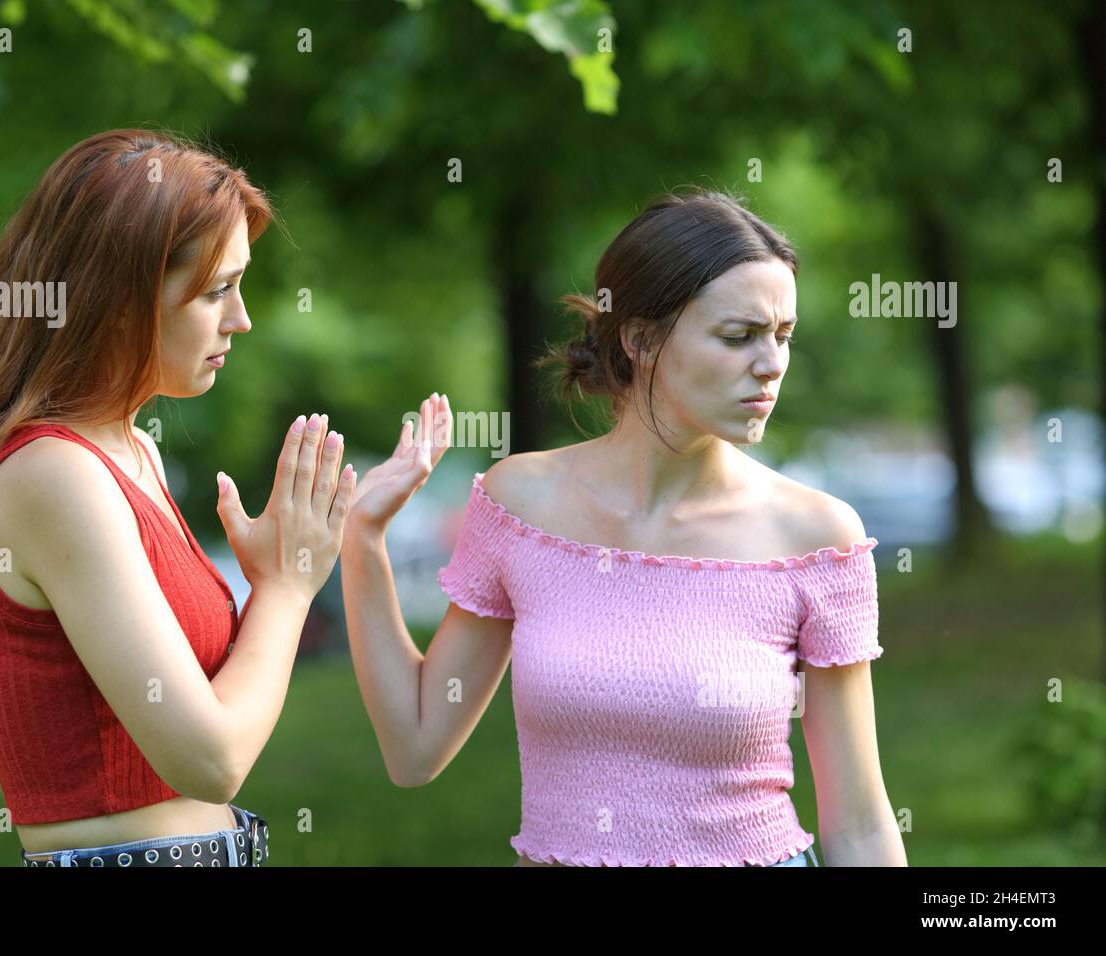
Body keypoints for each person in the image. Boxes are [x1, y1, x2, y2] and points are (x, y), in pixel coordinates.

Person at [340, 189, 908, 867]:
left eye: (782, 335)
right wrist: (363, 543)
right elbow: (414, 747)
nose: (772, 364)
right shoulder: (521, 504)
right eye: (739, 336)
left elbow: (862, 826)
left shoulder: (815, 538)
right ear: (639, 339)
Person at [0, 129, 355, 867]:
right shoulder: (52, 475)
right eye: (217, 291)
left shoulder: (131, 452)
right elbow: (211, 759)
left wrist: (270, 591)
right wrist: (286, 589)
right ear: (118, 300)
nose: (240, 319)